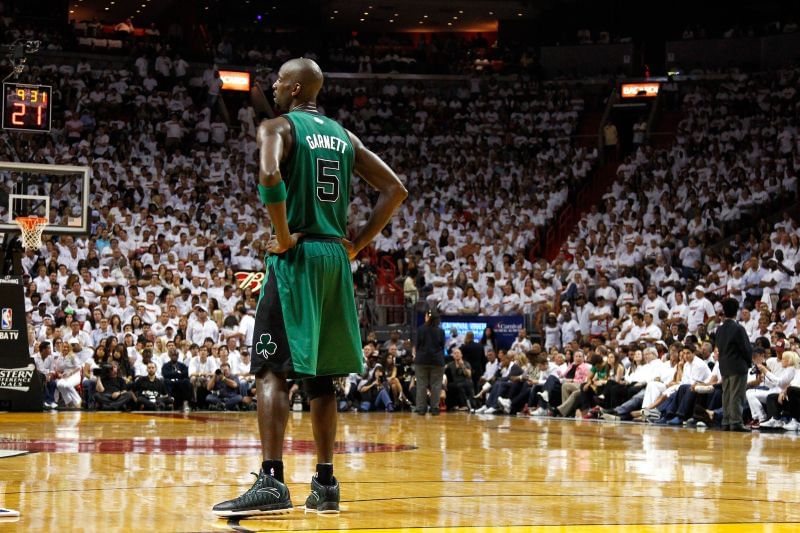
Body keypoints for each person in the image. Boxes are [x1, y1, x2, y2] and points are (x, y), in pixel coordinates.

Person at [213, 58, 407, 517]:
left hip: (297, 258)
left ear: (297, 89)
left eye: (280, 81)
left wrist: (281, 238)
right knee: (322, 378)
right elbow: (395, 189)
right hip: (335, 259)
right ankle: (325, 483)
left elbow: (268, 175)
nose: (274, 88)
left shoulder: (276, 127)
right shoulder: (343, 136)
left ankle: (272, 480)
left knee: (270, 370)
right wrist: (356, 245)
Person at [714, 298, 753, 432]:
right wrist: (749, 363)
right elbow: (746, 349)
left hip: (724, 366)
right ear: (736, 312)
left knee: (727, 395)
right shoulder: (738, 328)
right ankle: (736, 422)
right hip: (737, 365)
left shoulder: (719, 330)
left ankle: (726, 421)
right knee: (737, 395)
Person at [414, 308, 446, 415]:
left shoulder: (420, 329)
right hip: (437, 361)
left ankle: (421, 408)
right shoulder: (441, 331)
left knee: (421, 384)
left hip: (422, 360)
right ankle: (435, 408)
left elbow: (417, 345)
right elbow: (442, 346)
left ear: (428, 317)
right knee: (436, 385)